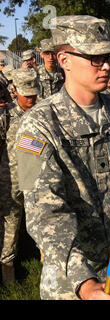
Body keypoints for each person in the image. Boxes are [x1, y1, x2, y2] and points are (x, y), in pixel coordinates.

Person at [15, 15, 110, 300]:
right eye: (94, 57)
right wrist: (85, 284)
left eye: (108, 57)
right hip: (73, 281)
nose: (106, 65)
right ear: (64, 59)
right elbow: (43, 213)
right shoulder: (36, 126)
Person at [0, 69, 39, 285]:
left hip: (35, 178)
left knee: (37, 219)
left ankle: (43, 257)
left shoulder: (40, 114)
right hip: (11, 182)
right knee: (11, 225)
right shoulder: (6, 115)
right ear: (15, 92)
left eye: (34, 94)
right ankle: (8, 272)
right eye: (27, 96)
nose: (31, 99)